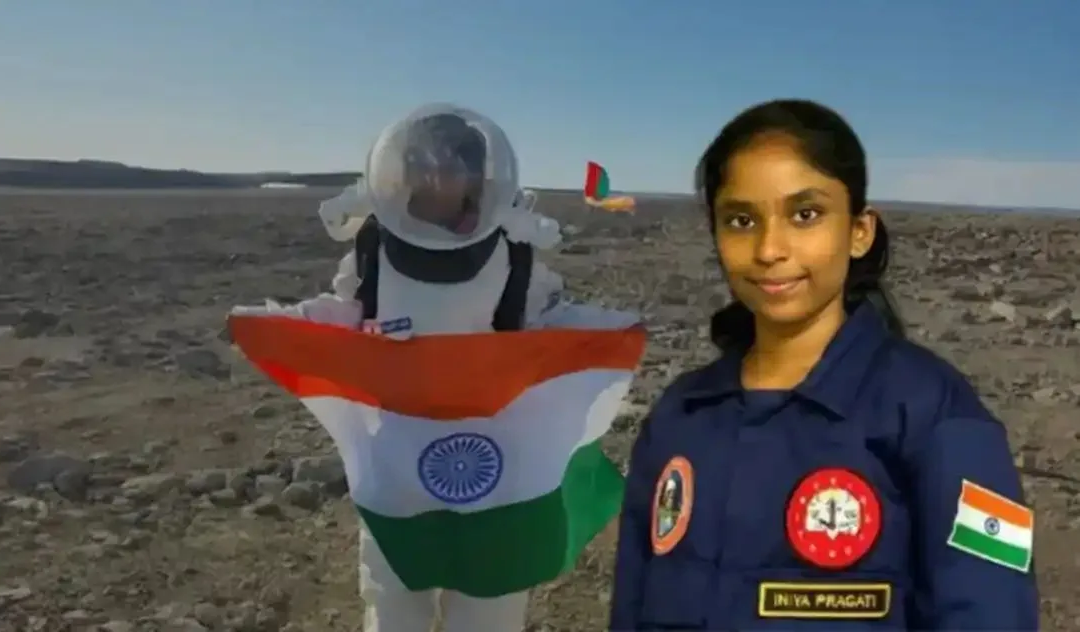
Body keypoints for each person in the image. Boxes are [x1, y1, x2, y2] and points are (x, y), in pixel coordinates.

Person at [608, 99, 1039, 630]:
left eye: (805, 215)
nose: (769, 249)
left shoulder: (934, 413)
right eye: (741, 220)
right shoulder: (680, 419)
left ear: (860, 231)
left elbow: (991, 614)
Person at [230, 104, 641, 632]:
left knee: (491, 595)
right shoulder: (375, 246)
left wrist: (614, 330)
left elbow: (545, 321)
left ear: (474, 173)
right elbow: (348, 312)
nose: (434, 175)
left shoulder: (513, 253)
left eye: (449, 163)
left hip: (493, 456)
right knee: (395, 586)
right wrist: (278, 323)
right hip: (400, 451)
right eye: (422, 163)